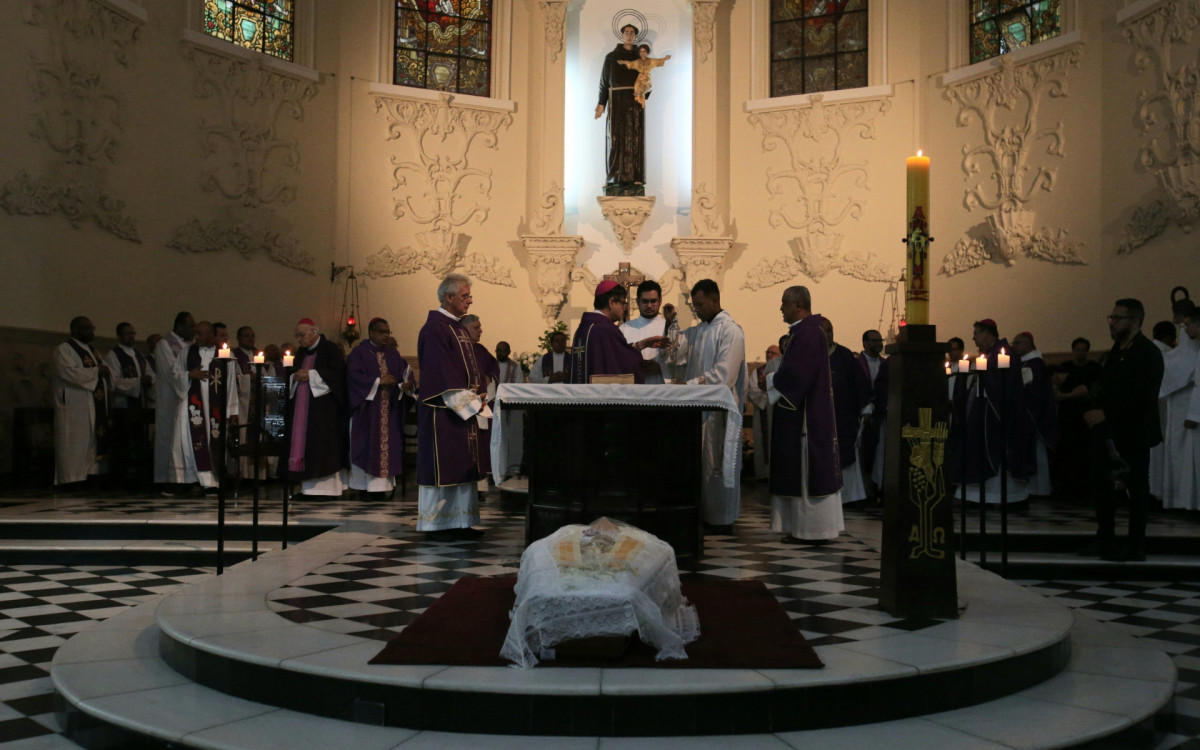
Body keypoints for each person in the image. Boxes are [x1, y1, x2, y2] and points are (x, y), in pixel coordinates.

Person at [1082, 298, 1164, 561]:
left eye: (1117, 318)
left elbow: (1144, 395)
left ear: (1135, 321)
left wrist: (1107, 412)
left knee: (1136, 489)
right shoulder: (1117, 351)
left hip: (1134, 433)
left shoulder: (1147, 353)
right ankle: (1105, 539)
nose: (1112, 322)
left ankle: (1135, 545)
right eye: (1111, 317)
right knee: (1102, 487)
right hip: (1108, 433)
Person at [417, 274, 489, 540]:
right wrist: (470, 402)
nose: (470, 300)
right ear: (448, 297)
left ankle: (461, 522)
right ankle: (437, 525)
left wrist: (478, 396)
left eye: (469, 296)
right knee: (444, 466)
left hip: (461, 411)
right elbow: (441, 375)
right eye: (465, 296)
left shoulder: (457, 327)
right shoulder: (435, 328)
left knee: (462, 466)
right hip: (443, 413)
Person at [768, 286, 843, 543]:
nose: (781, 308)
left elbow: (798, 376)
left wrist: (769, 380)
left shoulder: (808, 333)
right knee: (802, 472)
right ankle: (803, 528)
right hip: (806, 415)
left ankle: (811, 530)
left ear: (798, 305)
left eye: (784, 303)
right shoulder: (805, 331)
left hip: (806, 420)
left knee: (806, 473)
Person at [673, 279, 747, 531]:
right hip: (699, 409)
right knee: (701, 465)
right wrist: (671, 324)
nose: (697, 310)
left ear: (715, 300)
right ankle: (703, 515)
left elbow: (724, 375)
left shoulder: (730, 330)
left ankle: (721, 518)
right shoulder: (700, 329)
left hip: (718, 411)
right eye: (694, 306)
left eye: (700, 305)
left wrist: (691, 385)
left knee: (716, 463)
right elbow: (676, 351)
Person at [948, 318, 1028, 505]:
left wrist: (975, 375)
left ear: (987, 333)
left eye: (976, 333)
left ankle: (998, 497)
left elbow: (1003, 383)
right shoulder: (989, 354)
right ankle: (974, 495)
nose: (973, 338)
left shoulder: (1005, 353)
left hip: (996, 412)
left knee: (992, 449)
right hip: (983, 410)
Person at [279, 319, 348, 497]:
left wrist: (311, 375)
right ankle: (307, 489)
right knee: (303, 444)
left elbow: (338, 374)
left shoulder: (331, 349)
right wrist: (295, 376)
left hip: (323, 411)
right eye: (297, 335)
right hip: (302, 408)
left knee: (321, 446)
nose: (299, 339)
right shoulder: (300, 353)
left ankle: (327, 490)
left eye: (301, 335)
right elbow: (292, 373)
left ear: (314, 332)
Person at [347, 318, 413, 499]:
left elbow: (406, 376)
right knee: (367, 446)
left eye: (388, 332)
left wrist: (405, 385)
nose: (386, 335)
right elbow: (353, 378)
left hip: (389, 411)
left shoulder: (393, 355)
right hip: (367, 413)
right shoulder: (359, 353)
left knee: (387, 449)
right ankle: (364, 488)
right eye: (382, 332)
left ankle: (382, 488)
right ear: (371, 333)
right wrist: (377, 381)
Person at [174, 321, 239, 491]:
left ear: (211, 335)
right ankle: (190, 479)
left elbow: (231, 382)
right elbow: (175, 374)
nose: (196, 337)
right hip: (192, 405)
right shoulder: (187, 352)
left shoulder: (224, 355)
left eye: (199, 334)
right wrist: (189, 374)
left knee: (214, 442)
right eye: (195, 333)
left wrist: (232, 410)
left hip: (215, 407)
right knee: (189, 441)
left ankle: (211, 482)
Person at [819, 318, 872, 504]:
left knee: (846, 454)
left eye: (830, 330)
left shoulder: (844, 355)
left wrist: (865, 407)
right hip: (819, 418)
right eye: (824, 331)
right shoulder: (811, 355)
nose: (827, 335)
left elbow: (859, 383)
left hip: (843, 416)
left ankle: (849, 497)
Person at [53, 316, 110, 486]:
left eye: (92, 328)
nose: (91, 331)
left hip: (93, 405)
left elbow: (105, 370)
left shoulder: (94, 351)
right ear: (74, 330)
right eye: (86, 328)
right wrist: (95, 372)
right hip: (74, 406)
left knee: (92, 440)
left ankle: (91, 476)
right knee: (74, 442)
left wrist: (103, 371)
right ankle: (71, 479)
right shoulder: (64, 350)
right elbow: (68, 372)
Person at [569, 281, 663, 384]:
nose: (624, 308)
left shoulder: (583, 328)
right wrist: (642, 364)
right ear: (612, 302)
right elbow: (624, 363)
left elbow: (616, 355)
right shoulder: (606, 329)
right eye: (623, 303)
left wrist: (642, 344)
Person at [595, 23, 647, 194]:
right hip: (616, 102)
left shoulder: (641, 59)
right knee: (616, 139)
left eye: (632, 32)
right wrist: (601, 104)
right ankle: (614, 178)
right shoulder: (611, 57)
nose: (629, 35)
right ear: (622, 35)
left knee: (634, 139)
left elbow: (646, 81)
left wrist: (645, 91)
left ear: (636, 36)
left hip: (634, 104)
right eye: (626, 32)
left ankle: (634, 179)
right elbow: (604, 83)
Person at [1158, 301, 1200, 510]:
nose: (1180, 324)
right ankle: (1183, 500)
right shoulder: (1189, 333)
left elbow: (1187, 364)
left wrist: (1162, 364)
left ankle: (1187, 501)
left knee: (1188, 453)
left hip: (1188, 399)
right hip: (1185, 399)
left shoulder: (1189, 334)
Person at [106, 322, 155, 487]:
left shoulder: (139, 355)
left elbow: (150, 375)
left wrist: (149, 380)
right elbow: (113, 383)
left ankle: (142, 476)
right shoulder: (113, 356)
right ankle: (122, 478)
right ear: (119, 336)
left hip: (141, 405)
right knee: (125, 443)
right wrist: (138, 382)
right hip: (124, 407)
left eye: (133, 333)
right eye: (127, 333)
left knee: (141, 441)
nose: (131, 336)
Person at [1010, 331, 1059, 497]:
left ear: (1028, 344)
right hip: (1024, 413)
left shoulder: (1036, 363)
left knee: (1035, 451)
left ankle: (1038, 489)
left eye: (1017, 343)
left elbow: (1035, 391)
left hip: (1032, 414)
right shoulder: (1022, 362)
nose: (1013, 346)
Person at [154, 312, 195, 494]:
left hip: (185, 399)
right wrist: (190, 376)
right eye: (191, 326)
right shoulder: (164, 345)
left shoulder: (189, 346)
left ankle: (185, 480)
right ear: (179, 327)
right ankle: (167, 481)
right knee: (169, 438)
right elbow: (171, 372)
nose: (193, 330)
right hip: (170, 400)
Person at [462, 314, 498, 487]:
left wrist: (490, 377)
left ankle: (480, 487)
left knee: (481, 445)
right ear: (465, 329)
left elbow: (493, 368)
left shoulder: (481, 349)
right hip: (463, 406)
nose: (481, 331)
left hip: (481, 405)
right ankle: (465, 483)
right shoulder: (457, 349)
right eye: (476, 328)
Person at [620, 280, 676, 384]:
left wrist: (661, 368)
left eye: (653, 301)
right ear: (637, 302)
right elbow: (617, 359)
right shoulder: (625, 329)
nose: (649, 305)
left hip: (661, 389)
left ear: (660, 301)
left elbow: (681, 362)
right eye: (645, 301)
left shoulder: (669, 327)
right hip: (633, 389)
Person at [857, 329, 888, 493]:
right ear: (865, 343)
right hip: (863, 416)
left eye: (880, 340)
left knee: (880, 452)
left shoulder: (885, 364)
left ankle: (879, 487)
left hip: (881, 415)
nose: (879, 344)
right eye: (875, 341)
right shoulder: (857, 365)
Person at [746, 344, 782, 480]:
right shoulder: (757, 371)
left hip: (776, 412)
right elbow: (753, 391)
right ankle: (762, 474)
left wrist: (769, 392)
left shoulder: (782, 370)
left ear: (780, 355)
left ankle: (776, 474)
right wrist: (768, 396)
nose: (769, 355)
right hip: (762, 412)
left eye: (773, 353)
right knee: (761, 442)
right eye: (768, 352)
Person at [493, 340, 525, 478]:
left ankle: (513, 468)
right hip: (494, 407)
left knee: (513, 437)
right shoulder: (491, 366)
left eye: (504, 350)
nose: (501, 353)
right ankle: (495, 468)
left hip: (511, 408)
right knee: (497, 438)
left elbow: (519, 386)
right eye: (498, 350)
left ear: (509, 352)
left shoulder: (516, 368)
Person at [618, 44, 671, 108]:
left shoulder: (651, 61)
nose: (642, 53)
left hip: (647, 78)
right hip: (639, 79)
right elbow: (631, 63)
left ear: (647, 52)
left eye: (644, 51)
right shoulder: (637, 62)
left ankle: (643, 95)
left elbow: (658, 61)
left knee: (646, 86)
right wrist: (624, 62)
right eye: (641, 51)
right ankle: (639, 102)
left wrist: (665, 58)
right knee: (636, 88)